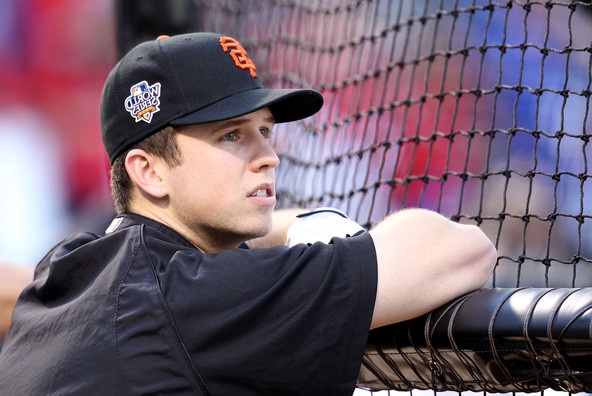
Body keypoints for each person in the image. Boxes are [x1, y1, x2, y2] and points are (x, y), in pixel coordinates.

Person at [0, 32, 497, 395]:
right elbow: (461, 250)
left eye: (267, 131)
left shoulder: (68, 267)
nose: (269, 156)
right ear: (148, 172)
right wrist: (313, 226)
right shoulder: (194, 297)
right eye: (231, 135)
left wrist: (290, 223)